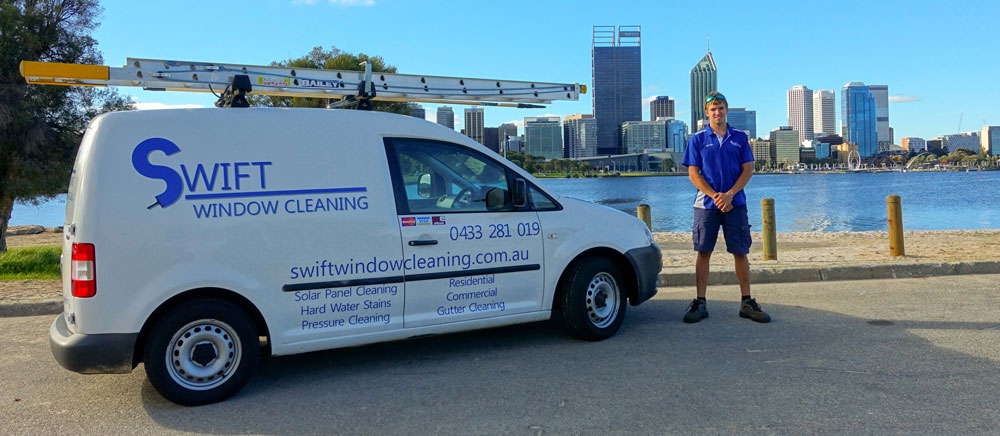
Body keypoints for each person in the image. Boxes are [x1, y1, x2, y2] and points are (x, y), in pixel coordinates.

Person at [679, 91, 770, 324]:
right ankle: (700, 302)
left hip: (735, 203)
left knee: (741, 252)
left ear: (726, 110)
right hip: (706, 206)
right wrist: (715, 196)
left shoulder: (739, 137)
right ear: (706, 113)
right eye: (713, 109)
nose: (717, 112)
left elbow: (747, 170)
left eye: (721, 108)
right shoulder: (697, 139)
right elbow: (693, 173)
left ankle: (746, 302)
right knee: (703, 252)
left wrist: (729, 195)